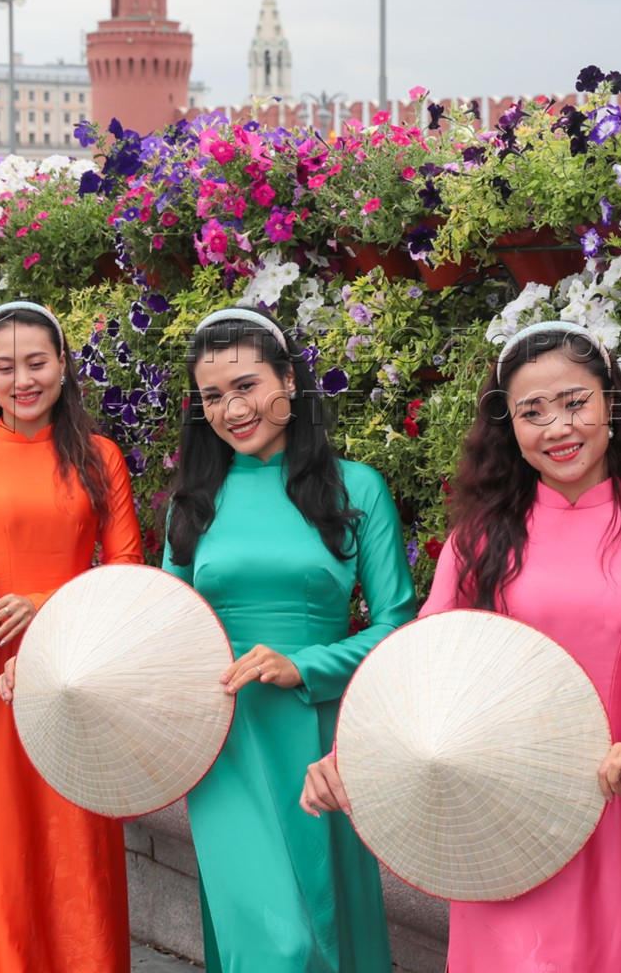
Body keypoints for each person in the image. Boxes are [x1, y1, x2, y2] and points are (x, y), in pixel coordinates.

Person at [301, 321, 621, 973]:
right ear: (509, 427)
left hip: (611, 802)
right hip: (493, 809)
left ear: (612, 404)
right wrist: (348, 757)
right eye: (532, 412)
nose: (558, 427)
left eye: (575, 402)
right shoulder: (478, 540)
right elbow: (419, 668)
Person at [160, 306, 417, 972]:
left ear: (289, 381)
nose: (232, 409)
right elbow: (166, 628)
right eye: (212, 396)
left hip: (322, 741)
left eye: (246, 385)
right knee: (276, 944)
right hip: (223, 740)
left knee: (329, 930)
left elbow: (397, 627)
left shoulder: (357, 488)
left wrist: (305, 665)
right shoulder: (193, 503)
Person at [0, 300, 143, 973]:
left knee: (79, 846)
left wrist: (42, 604)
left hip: (74, 672)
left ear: (63, 366)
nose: (24, 380)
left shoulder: (100, 456)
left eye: (37, 362)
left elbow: (128, 570)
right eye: (7, 367)